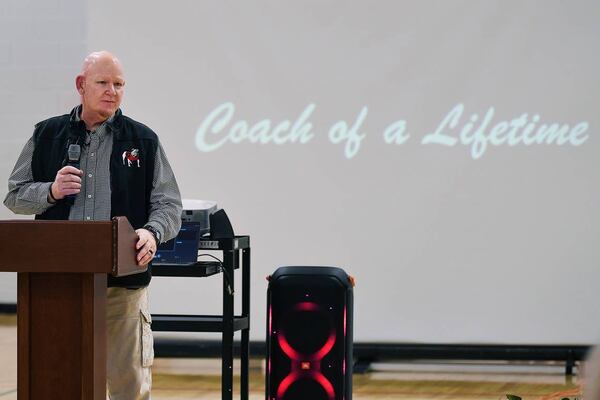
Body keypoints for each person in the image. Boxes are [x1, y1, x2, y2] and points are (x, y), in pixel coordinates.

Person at [4, 50, 182, 399]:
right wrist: (52, 191)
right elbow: (14, 196)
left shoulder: (142, 140)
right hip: (58, 286)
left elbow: (168, 204)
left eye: (119, 84)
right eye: (103, 83)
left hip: (122, 288)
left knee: (128, 385)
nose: (112, 91)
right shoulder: (47, 134)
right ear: (81, 85)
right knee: (59, 380)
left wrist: (151, 232)